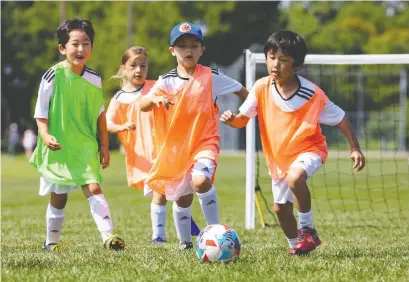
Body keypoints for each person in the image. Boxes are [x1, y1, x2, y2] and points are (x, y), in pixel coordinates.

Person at [220, 30, 365, 256]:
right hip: (278, 160)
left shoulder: (312, 93)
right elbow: (242, 120)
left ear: (296, 66)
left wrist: (354, 148)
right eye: (271, 57)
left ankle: (308, 229)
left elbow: (341, 117)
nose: (275, 64)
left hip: (310, 149)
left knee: (296, 177)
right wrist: (232, 120)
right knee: (281, 210)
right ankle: (297, 248)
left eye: (284, 60)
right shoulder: (260, 88)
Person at [140, 22, 248, 249]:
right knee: (182, 197)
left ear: (202, 50)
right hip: (177, 149)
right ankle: (184, 243)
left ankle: (216, 234)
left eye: (193, 45)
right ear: (172, 50)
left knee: (201, 181)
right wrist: (155, 99)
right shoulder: (166, 81)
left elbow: (243, 92)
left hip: (205, 143)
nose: (188, 50)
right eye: (182, 46)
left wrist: (240, 116)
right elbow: (143, 104)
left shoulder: (211, 76)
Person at [30, 19, 125, 251]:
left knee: (93, 187)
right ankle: (51, 242)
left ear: (92, 47)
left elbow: (99, 115)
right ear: (62, 48)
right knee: (59, 197)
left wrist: (103, 145)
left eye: (86, 43)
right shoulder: (52, 77)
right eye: (75, 44)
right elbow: (40, 114)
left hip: (84, 145)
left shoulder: (94, 78)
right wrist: (45, 135)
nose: (81, 49)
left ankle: (109, 238)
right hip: (59, 145)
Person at [106, 46, 200, 244]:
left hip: (163, 147)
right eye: (133, 66)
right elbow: (108, 123)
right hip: (141, 154)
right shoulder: (119, 98)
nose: (139, 70)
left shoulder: (154, 86)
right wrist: (121, 126)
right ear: (123, 68)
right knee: (164, 190)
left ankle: (160, 235)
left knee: (164, 189)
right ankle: (176, 225)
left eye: (143, 65)